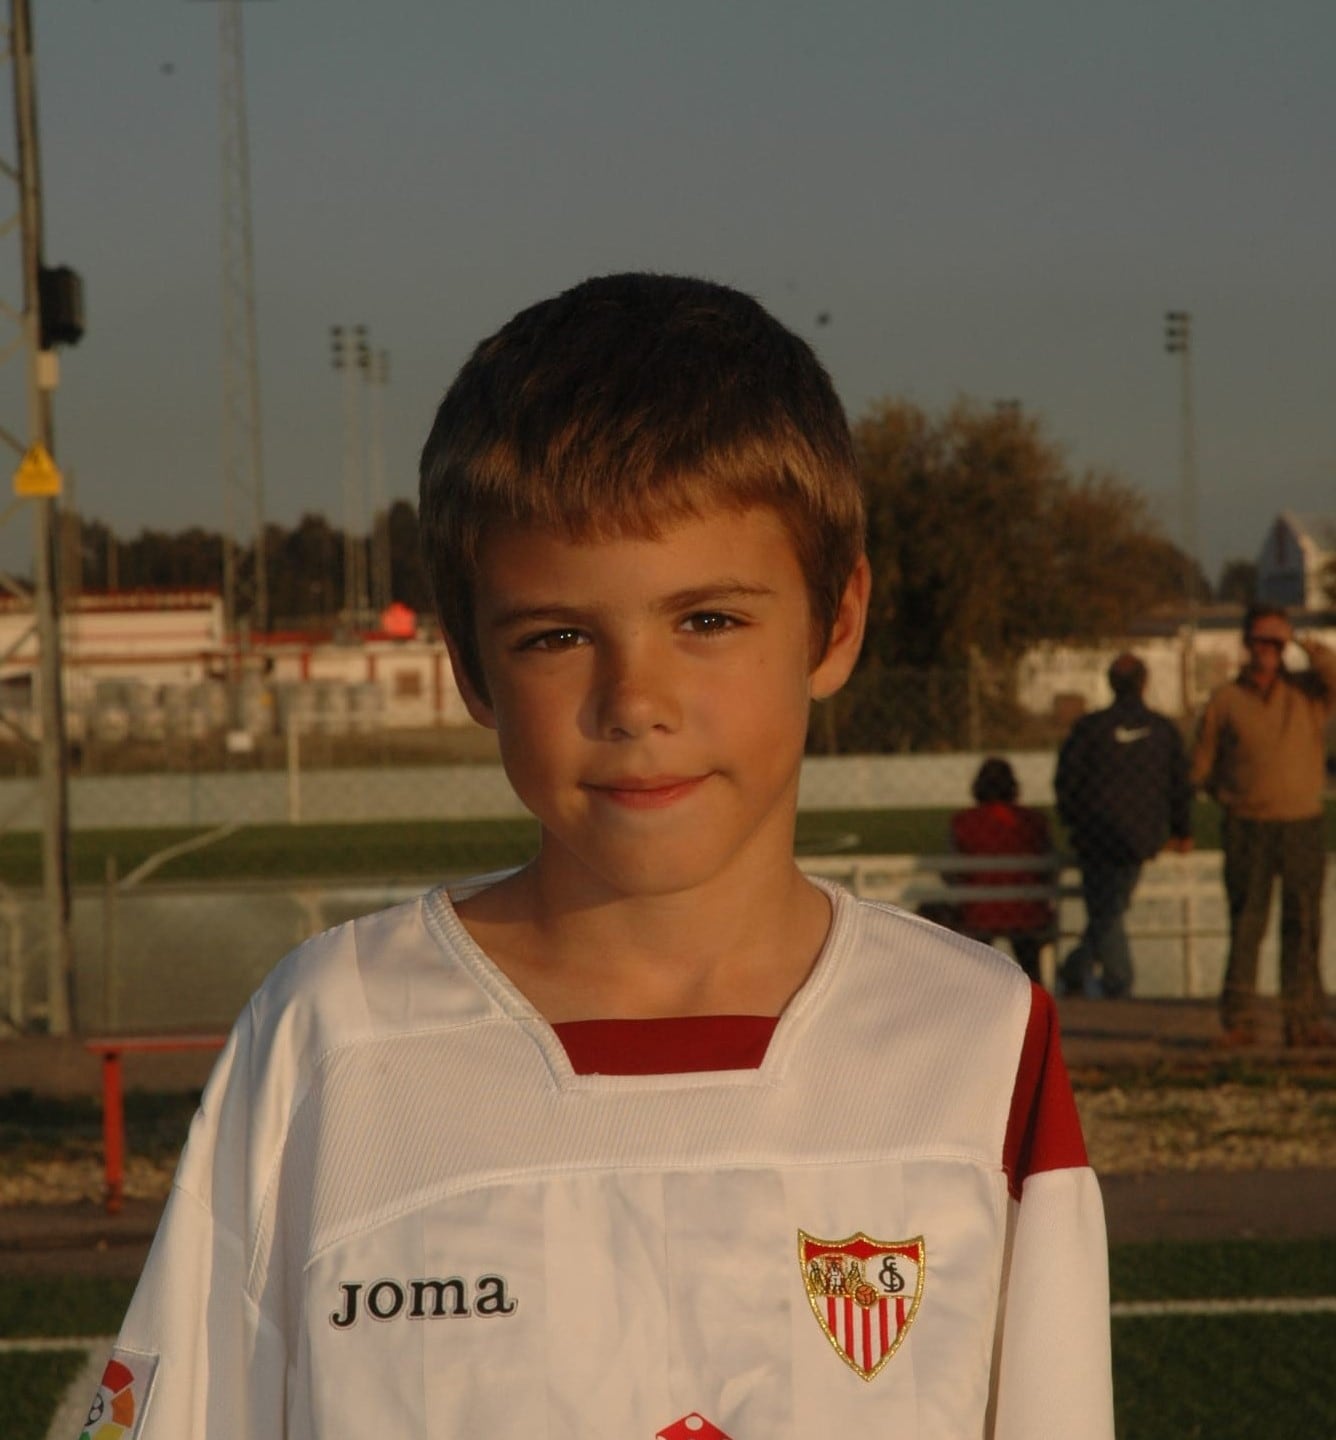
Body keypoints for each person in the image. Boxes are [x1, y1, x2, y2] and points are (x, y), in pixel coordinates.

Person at [88, 274, 1112, 1438]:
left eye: (709, 620)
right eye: (558, 636)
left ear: (835, 623)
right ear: (472, 668)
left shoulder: (977, 1037)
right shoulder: (332, 1034)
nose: (637, 701)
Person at [1191, 604, 1336, 1048]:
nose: (1266, 650)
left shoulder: (1308, 694)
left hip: (1301, 823)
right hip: (1247, 826)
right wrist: (1230, 796)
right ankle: (1239, 1020)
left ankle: (1304, 1019)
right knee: (1247, 923)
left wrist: (1302, 643)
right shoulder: (1225, 700)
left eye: (1275, 642)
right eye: (1259, 640)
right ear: (1246, 644)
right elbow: (1201, 767)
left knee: (1304, 923)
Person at [1055, 652, 1194, 999]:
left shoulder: (1090, 728)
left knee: (1106, 910)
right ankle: (1090, 973)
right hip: (1140, 836)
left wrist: (1074, 823)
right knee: (1110, 909)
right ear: (1145, 684)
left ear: (1109, 683)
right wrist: (1181, 831)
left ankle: (1110, 978)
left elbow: (1067, 781)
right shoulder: (1162, 730)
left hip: (1096, 835)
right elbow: (1180, 784)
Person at [949, 756, 1055, 982]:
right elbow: (1048, 869)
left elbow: (953, 871)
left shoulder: (964, 821)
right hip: (1026, 911)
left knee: (974, 961)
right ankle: (1034, 995)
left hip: (979, 913)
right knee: (1030, 966)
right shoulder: (1033, 820)